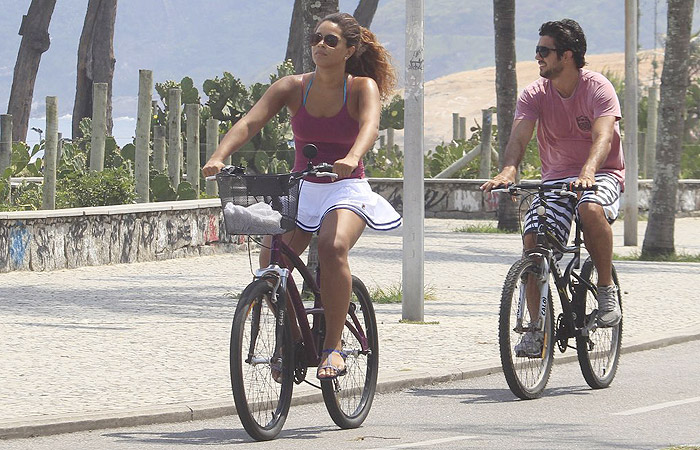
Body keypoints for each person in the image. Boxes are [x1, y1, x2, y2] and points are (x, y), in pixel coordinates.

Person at [202, 13, 401, 379]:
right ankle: (294, 341)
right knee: (271, 264)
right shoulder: (292, 87)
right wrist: (218, 156)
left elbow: (370, 126)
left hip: (345, 186)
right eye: (315, 39)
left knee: (331, 247)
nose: (319, 46)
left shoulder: (361, 87)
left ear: (349, 50)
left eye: (330, 41)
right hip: (302, 185)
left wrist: (352, 157)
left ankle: (333, 348)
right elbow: (249, 122)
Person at [481, 19, 624, 357]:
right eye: (537, 51)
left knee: (590, 208)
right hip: (556, 180)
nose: (538, 57)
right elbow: (519, 136)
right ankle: (535, 329)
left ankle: (605, 289)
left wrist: (588, 171)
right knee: (533, 242)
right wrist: (508, 170)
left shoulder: (597, 88)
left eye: (544, 51)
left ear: (568, 55)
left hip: (601, 173)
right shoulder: (535, 93)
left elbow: (603, 136)